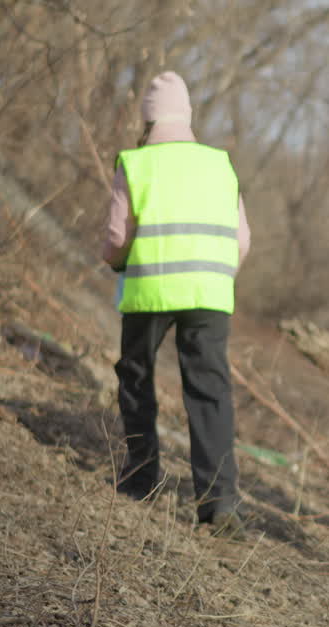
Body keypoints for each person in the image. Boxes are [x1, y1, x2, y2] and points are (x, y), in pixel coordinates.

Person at [100, 71, 250, 538]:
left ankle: (142, 480)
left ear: (147, 121)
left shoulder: (137, 163)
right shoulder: (219, 164)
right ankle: (218, 503)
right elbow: (243, 239)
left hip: (151, 290)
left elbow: (115, 239)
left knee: (138, 376)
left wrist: (119, 261)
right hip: (209, 294)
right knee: (209, 391)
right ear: (187, 117)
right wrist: (214, 273)